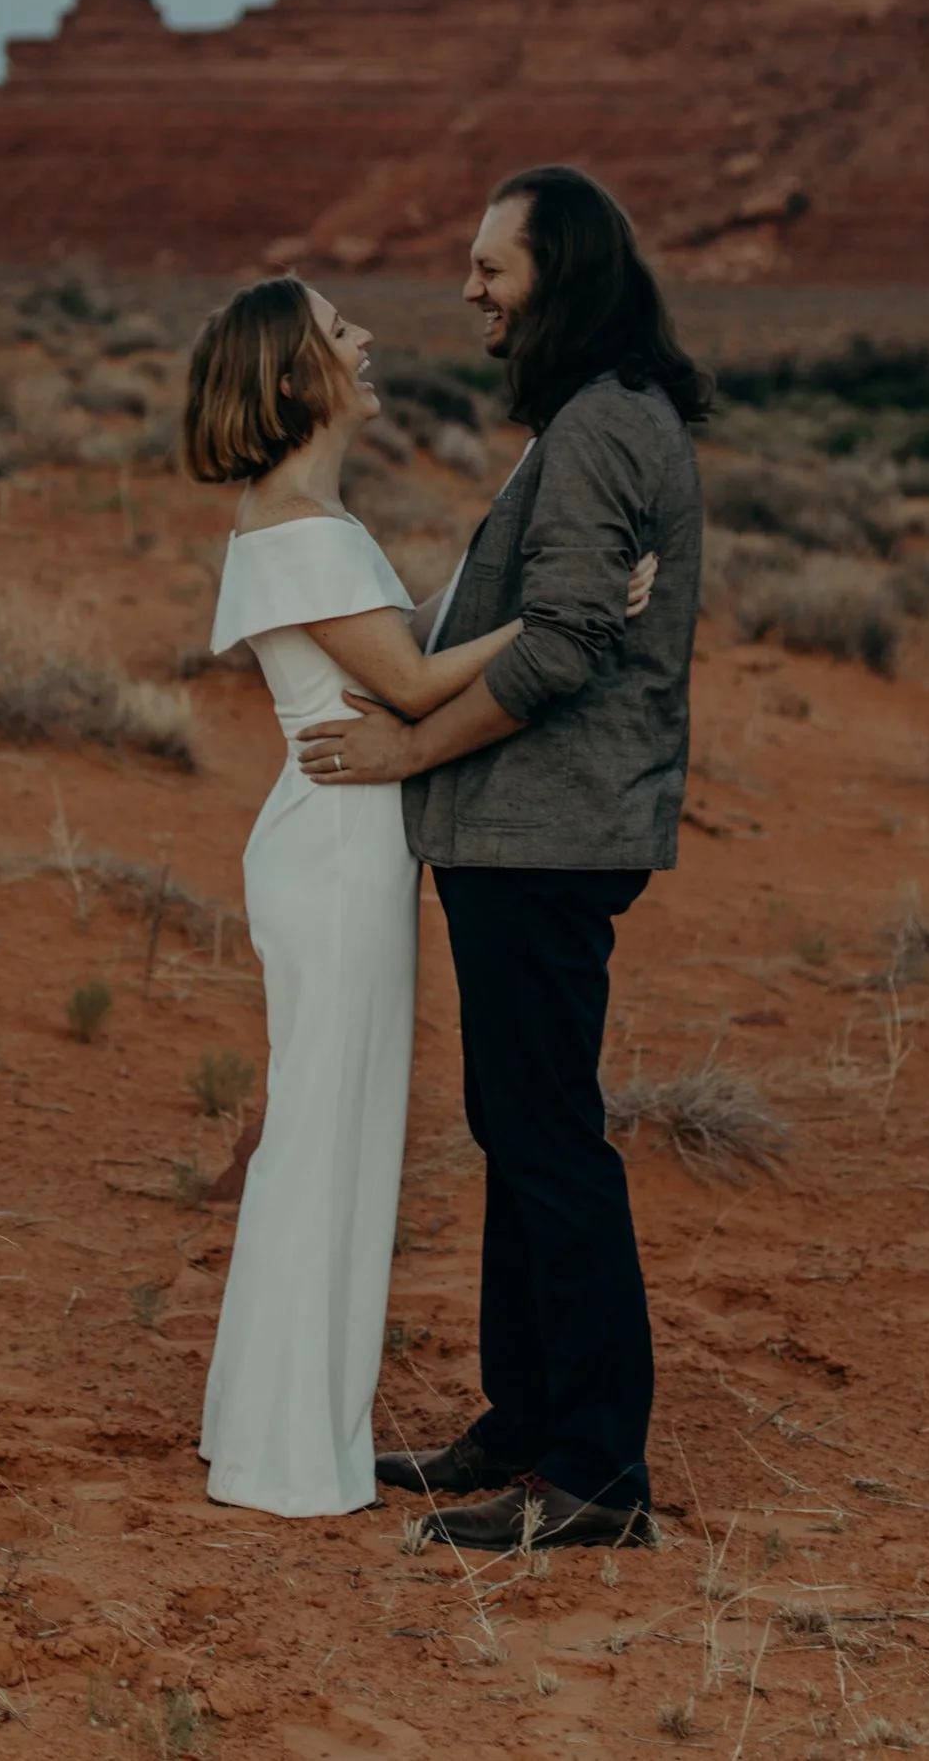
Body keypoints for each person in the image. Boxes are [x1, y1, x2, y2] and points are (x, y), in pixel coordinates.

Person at [182, 271, 656, 1519]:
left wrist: (528, 617)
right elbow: (403, 683)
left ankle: (264, 1425)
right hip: (337, 847)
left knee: (322, 1134)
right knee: (329, 1140)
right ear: (297, 378)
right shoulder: (296, 523)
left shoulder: (296, 517)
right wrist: (571, 613)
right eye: (341, 331)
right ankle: (285, 1453)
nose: (367, 337)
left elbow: (400, 644)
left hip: (338, 842)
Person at [300, 164, 707, 1552]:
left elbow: (566, 639)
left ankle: (594, 1472)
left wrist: (409, 750)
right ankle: (523, 1422)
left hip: (547, 831)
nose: (471, 288)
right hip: (530, 831)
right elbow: (527, 611)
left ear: (565, 277)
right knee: (520, 1126)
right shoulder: (597, 418)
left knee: (549, 1141)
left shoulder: (601, 428)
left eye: (496, 267)